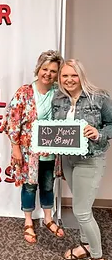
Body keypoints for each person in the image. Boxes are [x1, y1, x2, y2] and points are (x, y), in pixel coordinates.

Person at [2, 50, 65, 244]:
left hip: (52, 151)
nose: (48, 74)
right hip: (29, 152)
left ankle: (48, 218)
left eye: (53, 71)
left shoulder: (60, 93)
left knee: (48, 185)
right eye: (45, 69)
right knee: (29, 187)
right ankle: (28, 221)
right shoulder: (24, 92)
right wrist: (15, 148)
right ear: (38, 69)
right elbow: (12, 121)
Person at [52, 59, 111, 260]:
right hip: (68, 159)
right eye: (65, 75)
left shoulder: (99, 97)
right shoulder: (58, 99)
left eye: (73, 75)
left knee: (81, 211)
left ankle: (97, 256)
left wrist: (98, 133)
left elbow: (110, 124)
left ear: (81, 75)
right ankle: (85, 246)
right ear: (60, 78)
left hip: (90, 159)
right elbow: (54, 130)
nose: (69, 80)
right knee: (80, 207)